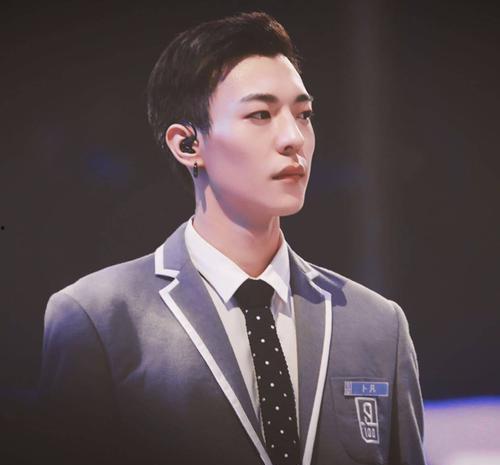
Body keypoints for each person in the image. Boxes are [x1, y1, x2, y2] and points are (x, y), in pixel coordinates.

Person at [38, 11, 426, 465]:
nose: (293, 138)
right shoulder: (99, 319)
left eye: (304, 115)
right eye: (260, 114)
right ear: (187, 144)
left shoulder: (378, 326)